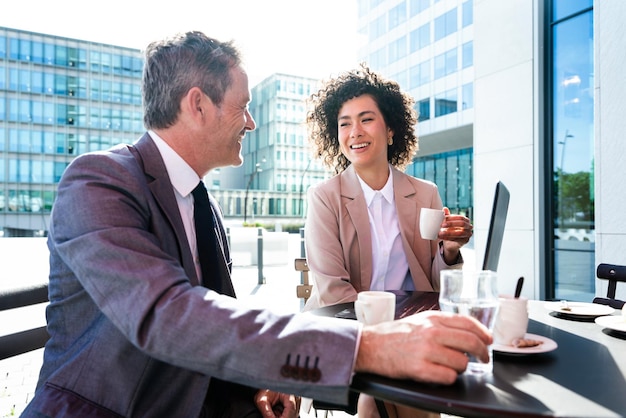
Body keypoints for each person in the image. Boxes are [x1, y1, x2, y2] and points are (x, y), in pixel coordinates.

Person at [22, 32, 491, 418]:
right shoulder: (99, 180)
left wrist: (261, 378)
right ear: (198, 105)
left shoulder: (201, 202)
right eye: (243, 107)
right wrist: (366, 347)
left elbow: (216, 316)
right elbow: (168, 314)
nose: (251, 122)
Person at [303, 65, 474, 417]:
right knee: (395, 392)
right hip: (349, 332)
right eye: (345, 123)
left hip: (415, 327)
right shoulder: (325, 198)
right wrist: (390, 340)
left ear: (391, 128)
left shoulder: (424, 194)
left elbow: (436, 285)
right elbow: (334, 293)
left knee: (411, 389)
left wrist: (451, 252)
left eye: (366, 119)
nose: (355, 132)